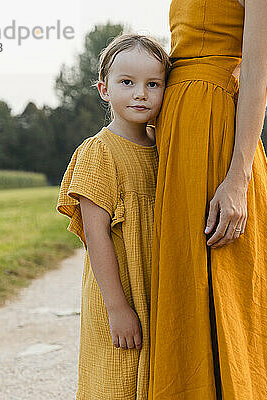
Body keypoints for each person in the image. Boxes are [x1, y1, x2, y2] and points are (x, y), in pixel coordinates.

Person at [149, 0, 267, 398]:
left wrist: (238, 179)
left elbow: (256, 74)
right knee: (184, 280)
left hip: (218, 131)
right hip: (178, 129)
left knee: (232, 281)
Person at [56, 33, 171, 399]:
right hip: (118, 291)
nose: (141, 93)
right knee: (116, 379)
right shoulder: (99, 152)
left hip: (157, 287)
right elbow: (96, 236)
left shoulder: (165, 148)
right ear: (105, 89)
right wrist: (117, 307)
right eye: (127, 83)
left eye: (153, 84)